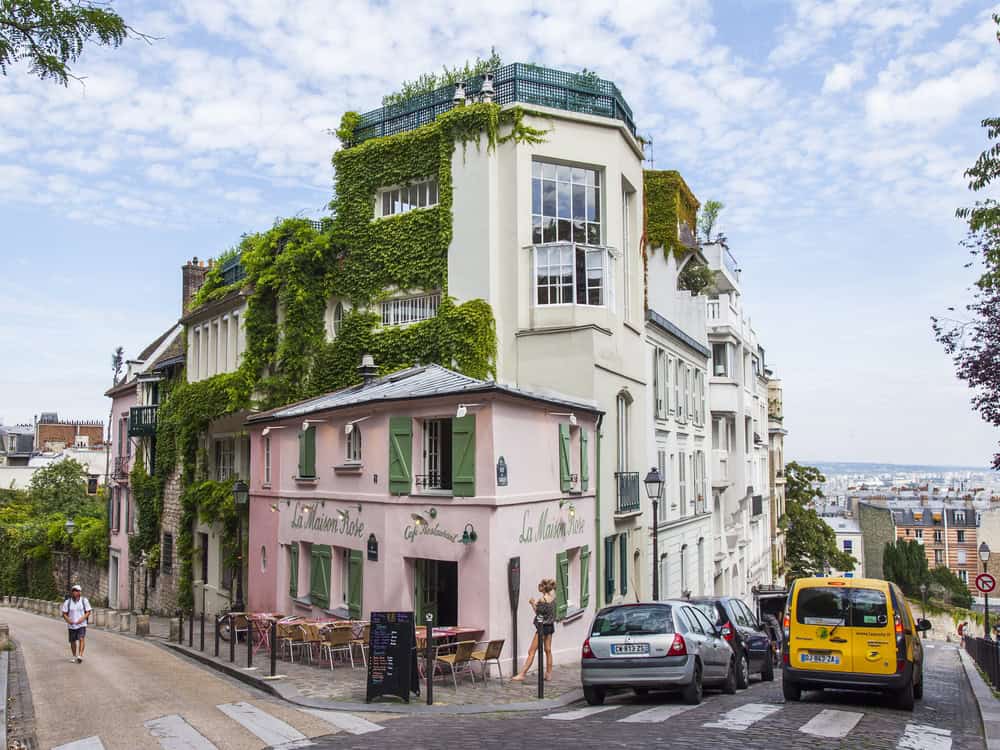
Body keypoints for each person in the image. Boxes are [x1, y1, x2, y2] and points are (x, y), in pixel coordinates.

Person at [511, 578, 556, 682]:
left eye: (539, 586)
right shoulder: (553, 597)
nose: (538, 588)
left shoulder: (542, 600)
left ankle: (522, 674)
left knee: (531, 651)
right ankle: (548, 674)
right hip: (550, 626)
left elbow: (538, 613)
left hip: (542, 627)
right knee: (548, 650)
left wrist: (532, 603)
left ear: (543, 588)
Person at [61, 584, 92, 663]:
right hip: (72, 625)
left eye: (77, 591)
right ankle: (74, 655)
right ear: (72, 592)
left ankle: (80, 655)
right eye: (74, 590)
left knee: (81, 638)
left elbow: (88, 611)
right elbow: (64, 613)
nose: (75, 592)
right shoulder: (67, 602)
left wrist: (82, 619)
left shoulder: (84, 601)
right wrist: (68, 620)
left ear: (80, 592)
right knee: (73, 641)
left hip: (82, 624)